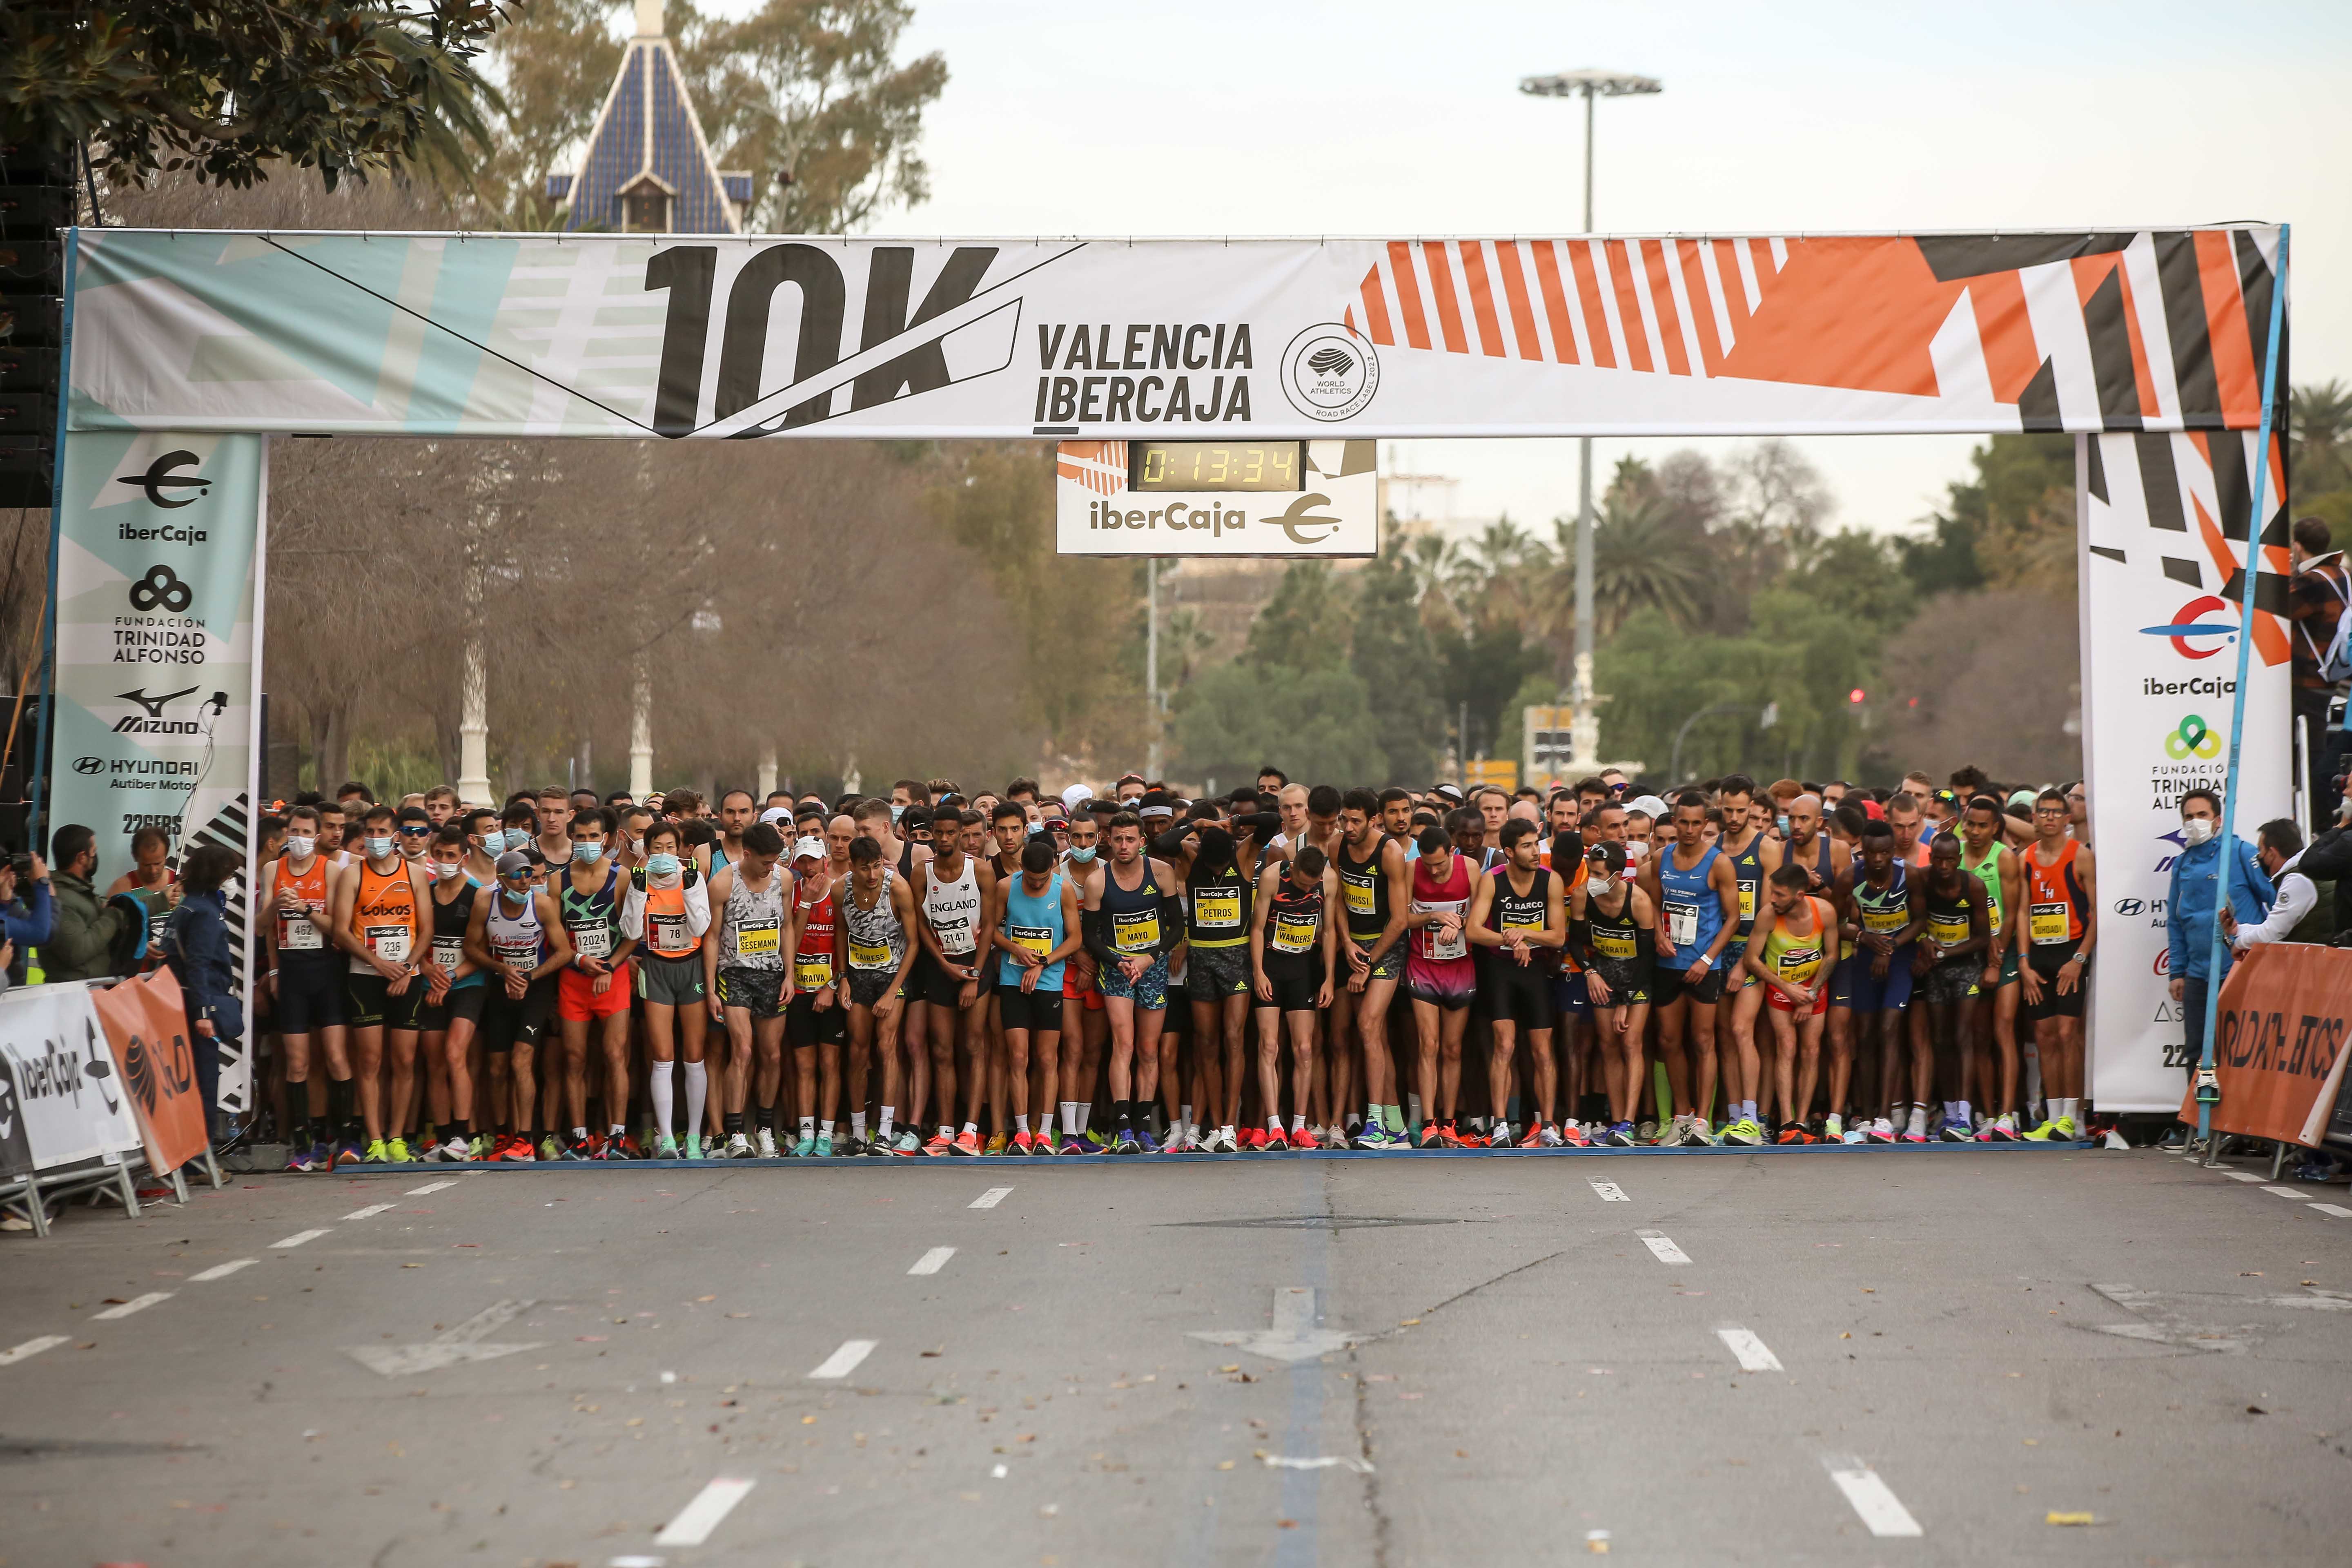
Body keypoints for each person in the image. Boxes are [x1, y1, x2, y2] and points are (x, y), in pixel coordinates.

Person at [2163, 788, 2273, 1147]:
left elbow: (2275, 900)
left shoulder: (2240, 853)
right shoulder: (2182, 863)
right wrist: (2177, 971)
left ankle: (2245, 1131)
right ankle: (2201, 1126)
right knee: (2198, 1050)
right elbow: (2176, 921)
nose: (2195, 822)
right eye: (2188, 816)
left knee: (2242, 1051)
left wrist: (2267, 951)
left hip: (2240, 968)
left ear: (2218, 819)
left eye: (2202, 815)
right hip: (2197, 972)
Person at [329, 804, 434, 1163]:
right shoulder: (352, 875)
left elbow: (427, 929)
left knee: (405, 1060)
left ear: (396, 836)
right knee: (370, 1060)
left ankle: (398, 1137)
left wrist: (405, 968)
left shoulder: (415, 874)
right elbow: (341, 930)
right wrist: (377, 963)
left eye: (381, 833)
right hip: (366, 977)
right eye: (369, 833)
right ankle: (374, 1138)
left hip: (408, 978)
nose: (375, 839)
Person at [1639, 791, 1739, 1146]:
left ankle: (1702, 1120)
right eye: (1684, 822)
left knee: (1703, 1040)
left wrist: (1707, 960)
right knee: (1668, 1040)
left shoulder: (1719, 863)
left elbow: (1734, 918)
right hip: (1668, 962)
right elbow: (1648, 899)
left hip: (1703, 966)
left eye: (1698, 823)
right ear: (1673, 822)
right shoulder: (1660, 858)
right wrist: (1658, 934)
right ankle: (1681, 1117)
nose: (1691, 829)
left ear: (1706, 825)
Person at [1078, 809, 1180, 1152]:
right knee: (1124, 1045)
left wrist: (1149, 958)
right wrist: (1118, 961)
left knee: (1149, 1050)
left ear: (1142, 841)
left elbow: (1177, 927)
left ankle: (1143, 1127)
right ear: (1109, 840)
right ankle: (1123, 1127)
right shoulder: (1098, 880)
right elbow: (1090, 936)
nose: (1123, 846)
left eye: (1130, 839)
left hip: (1151, 968)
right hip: (1117, 968)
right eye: (1118, 839)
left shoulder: (1162, 872)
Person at [466, 850, 575, 1161]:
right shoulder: (485, 904)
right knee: (497, 1068)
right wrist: (503, 970)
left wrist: (530, 976)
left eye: (529, 874)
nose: (526, 881)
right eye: (517, 875)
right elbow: (471, 947)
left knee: (521, 1061)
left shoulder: (541, 904)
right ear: (501, 880)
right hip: (501, 988)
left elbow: (564, 952)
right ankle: (503, 1134)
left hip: (535, 989)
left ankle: (525, 1139)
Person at [617, 820, 713, 1158]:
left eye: (670, 848)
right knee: (662, 1057)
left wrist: (688, 889)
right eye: (656, 848)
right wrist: (639, 890)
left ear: (681, 850)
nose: (664, 854)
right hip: (656, 967)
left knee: (694, 1056)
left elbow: (702, 925)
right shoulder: (639, 879)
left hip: (691, 967)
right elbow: (630, 931)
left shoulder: (694, 876)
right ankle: (668, 1138)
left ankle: (694, 1137)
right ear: (647, 850)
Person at [1468, 817, 1566, 1147]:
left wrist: (1524, 932)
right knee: (1504, 1046)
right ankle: (1499, 1125)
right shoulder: (1492, 880)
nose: (1535, 852)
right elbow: (1474, 930)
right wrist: (1510, 940)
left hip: (1535, 971)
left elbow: (1558, 936)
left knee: (1542, 1051)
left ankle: (1548, 1125)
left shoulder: (1551, 881)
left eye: (1536, 844)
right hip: (1501, 971)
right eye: (1526, 846)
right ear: (1509, 851)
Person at [704, 821, 797, 1159]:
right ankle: (735, 1133)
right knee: (742, 1051)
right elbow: (712, 936)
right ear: (747, 854)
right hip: (736, 973)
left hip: (772, 974)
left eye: (775, 861)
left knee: (771, 1055)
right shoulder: (723, 882)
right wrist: (712, 987)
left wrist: (789, 975)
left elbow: (787, 927)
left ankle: (766, 1129)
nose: (770, 867)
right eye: (765, 862)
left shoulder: (784, 879)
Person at [911, 807, 998, 1155]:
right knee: (942, 1049)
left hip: (976, 965)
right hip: (941, 966)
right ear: (932, 833)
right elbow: (918, 924)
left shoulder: (981, 870)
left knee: (974, 1046)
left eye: (952, 833)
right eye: (939, 833)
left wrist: (973, 977)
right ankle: (946, 1130)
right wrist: (945, 967)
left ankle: (971, 1131)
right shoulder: (923, 872)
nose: (945, 839)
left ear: (964, 833)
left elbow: (990, 926)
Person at [989, 835, 1083, 1155]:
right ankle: (1021, 1132)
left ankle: (1044, 1131)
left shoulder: (1063, 890)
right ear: (1022, 869)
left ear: (1053, 869)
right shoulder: (1006, 886)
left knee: (1047, 1059)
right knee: (1017, 1057)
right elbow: (990, 930)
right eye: (1031, 878)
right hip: (1013, 980)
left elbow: (1074, 940)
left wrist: (1042, 962)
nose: (1036, 884)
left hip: (1048, 981)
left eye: (1042, 879)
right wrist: (1016, 948)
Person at [1331, 788, 1411, 1148]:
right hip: (1355, 945)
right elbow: (1339, 902)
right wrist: (1347, 943)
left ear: (1374, 820)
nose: (1347, 827)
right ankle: (1396, 1125)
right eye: (1343, 819)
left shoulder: (1390, 853)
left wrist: (1368, 963)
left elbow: (1400, 920)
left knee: (1367, 1024)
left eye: (1355, 821)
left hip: (1386, 945)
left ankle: (1375, 1123)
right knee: (1372, 1035)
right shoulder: (1337, 847)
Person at [2018, 789, 2097, 1143]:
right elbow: (2021, 911)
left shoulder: (2080, 857)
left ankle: (2074, 1117)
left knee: (2069, 1036)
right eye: (2043, 812)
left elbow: (2097, 914)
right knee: (2045, 1037)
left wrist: (2079, 960)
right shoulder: (2026, 858)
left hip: (2071, 955)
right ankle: (2051, 1119)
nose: (2050, 818)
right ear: (2034, 817)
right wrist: (2023, 963)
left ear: (2068, 819)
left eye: (2056, 812)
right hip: (2039, 955)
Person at [553, 808, 633, 1158]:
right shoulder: (557, 881)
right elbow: (553, 938)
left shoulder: (623, 877)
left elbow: (633, 934)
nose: (587, 843)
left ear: (606, 839)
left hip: (613, 977)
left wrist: (610, 967)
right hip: (574, 978)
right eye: (580, 837)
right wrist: (580, 961)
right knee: (575, 1058)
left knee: (615, 1055)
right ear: (572, 838)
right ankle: (580, 1136)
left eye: (593, 837)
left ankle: (617, 1136)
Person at [1831, 820, 1917, 1144]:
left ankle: (1885, 1118)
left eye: (1884, 853)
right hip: (1866, 957)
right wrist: (1866, 938)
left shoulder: (1910, 875)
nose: (1878, 860)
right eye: (1871, 853)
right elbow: (1834, 924)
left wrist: (1892, 945)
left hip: (1901, 956)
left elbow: (1920, 919)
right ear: (1862, 852)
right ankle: (1866, 1118)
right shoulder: (1850, 877)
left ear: (1893, 852)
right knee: (1864, 1035)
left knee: (1889, 1028)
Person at [1250, 842, 1338, 1151]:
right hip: (1273, 966)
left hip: (1303, 968)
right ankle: (1275, 1125)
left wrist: (1329, 977)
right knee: (1269, 1045)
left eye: (1310, 885)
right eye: (1301, 883)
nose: (1305, 889)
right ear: (1294, 867)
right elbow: (1258, 928)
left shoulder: (1328, 880)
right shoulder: (1273, 877)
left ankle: (1299, 1126)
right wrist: (1259, 972)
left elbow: (1329, 931)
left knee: (1304, 1049)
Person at [1909, 832, 1995, 1143]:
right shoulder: (1921, 880)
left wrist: (1943, 952)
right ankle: (1949, 1112)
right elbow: (1915, 920)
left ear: (1959, 860)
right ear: (1931, 858)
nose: (1944, 866)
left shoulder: (1973, 885)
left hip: (1965, 966)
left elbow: (1984, 938)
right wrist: (1924, 943)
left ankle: (1965, 1114)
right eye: (1938, 860)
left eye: (1950, 860)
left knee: (1963, 1037)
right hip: (1934, 969)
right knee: (1941, 1040)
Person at [158, 842, 244, 1141]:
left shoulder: (184, 907)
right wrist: (204, 1013)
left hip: (178, 1004)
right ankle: (199, 1156)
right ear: (217, 876)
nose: (233, 880)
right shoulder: (206, 914)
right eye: (230, 874)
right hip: (197, 1009)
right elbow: (199, 966)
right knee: (204, 1082)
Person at [1744, 865, 1835, 1145]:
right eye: (1772, 891)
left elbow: (1831, 955)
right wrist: (1787, 989)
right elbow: (1751, 959)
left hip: (1813, 987)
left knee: (1811, 1051)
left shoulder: (1825, 912)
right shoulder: (1768, 915)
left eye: (1779, 894)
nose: (1772, 898)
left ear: (1799, 895)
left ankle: (1802, 1121)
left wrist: (1811, 993)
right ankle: (1786, 1122)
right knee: (1787, 1047)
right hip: (1781, 988)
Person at [1573, 839, 1654, 1147]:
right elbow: (1575, 943)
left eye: (1597, 874)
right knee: (1608, 1044)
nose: (1591, 880)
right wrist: (1590, 972)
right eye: (1589, 872)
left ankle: (1629, 1123)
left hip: (1636, 977)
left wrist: (1626, 999)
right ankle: (1616, 1122)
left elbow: (1647, 958)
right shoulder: (1584, 896)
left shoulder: (1639, 901)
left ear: (1617, 875)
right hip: (1603, 974)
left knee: (1631, 1042)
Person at [1956, 794, 2027, 1140]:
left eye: (1983, 826)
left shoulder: (2006, 859)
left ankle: (2007, 1115)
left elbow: (2012, 912)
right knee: (1978, 1037)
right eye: (1970, 824)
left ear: (1996, 828)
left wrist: (1997, 955)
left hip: (2002, 951)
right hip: (1967, 953)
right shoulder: (1954, 854)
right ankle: (1985, 1114)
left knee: (2003, 1031)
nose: (1975, 831)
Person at [1403, 817, 1478, 1146]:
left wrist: (1460, 922)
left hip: (1460, 967)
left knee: (1452, 1048)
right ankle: (1429, 1123)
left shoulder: (1470, 868)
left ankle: (1449, 1123)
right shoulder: (1412, 870)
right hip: (1423, 966)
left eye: (1440, 864)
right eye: (1428, 865)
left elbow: (1483, 913)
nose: (1433, 872)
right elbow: (1401, 917)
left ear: (1452, 851)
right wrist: (1434, 916)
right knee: (1428, 1046)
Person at [415, 824, 487, 1162]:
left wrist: (452, 977)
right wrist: (428, 971)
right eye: (439, 855)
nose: (445, 861)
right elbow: (420, 941)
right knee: (434, 1062)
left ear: (464, 857)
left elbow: (485, 951)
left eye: (451, 856)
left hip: (468, 984)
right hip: (431, 984)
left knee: (455, 1053)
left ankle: (463, 1135)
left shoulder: (478, 894)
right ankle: (442, 1138)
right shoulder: (425, 892)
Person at [784, 833, 845, 1157]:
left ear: (826, 860)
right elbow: (790, 944)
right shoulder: (791, 892)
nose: (808, 868)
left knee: (829, 1063)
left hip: (830, 991)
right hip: (798, 990)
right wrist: (805, 901)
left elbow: (847, 945)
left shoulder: (839, 892)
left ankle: (827, 1132)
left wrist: (832, 986)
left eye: (813, 860)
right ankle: (807, 1131)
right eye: (802, 861)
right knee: (803, 1064)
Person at [2288, 516, 2350, 784]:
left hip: (2308, 678)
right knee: (2321, 750)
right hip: (2335, 672)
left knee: (2310, 756)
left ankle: (2318, 818)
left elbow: (2279, 611)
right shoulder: (2344, 575)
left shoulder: (2311, 582)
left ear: (2298, 546)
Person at [46, 824, 131, 984]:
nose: (96, 856)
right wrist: (112, 917)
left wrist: (163, 899)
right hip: (75, 995)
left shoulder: (80, 892)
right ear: (82, 858)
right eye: (94, 852)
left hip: (91, 991)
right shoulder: (60, 899)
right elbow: (77, 951)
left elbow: (119, 906)